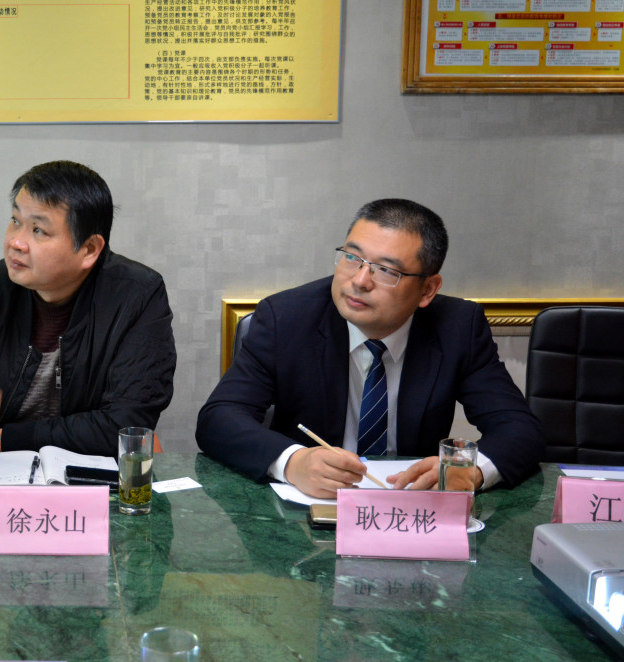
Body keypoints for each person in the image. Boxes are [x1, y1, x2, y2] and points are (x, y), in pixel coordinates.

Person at [196, 199, 544, 499]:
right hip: (306, 514)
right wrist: (292, 462)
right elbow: (219, 418)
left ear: (427, 290)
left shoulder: (457, 327)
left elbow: (519, 428)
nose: (360, 280)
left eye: (386, 270)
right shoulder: (286, 318)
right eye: (352, 257)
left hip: (408, 511)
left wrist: (470, 471)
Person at [0, 160, 176, 460]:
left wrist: (1, 440)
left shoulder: (137, 298)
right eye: (15, 221)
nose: (16, 242)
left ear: (89, 249)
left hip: (89, 485)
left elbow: (125, 427)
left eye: (38, 230)